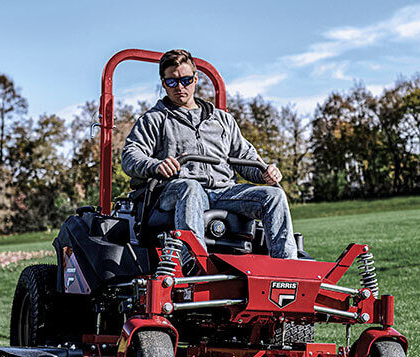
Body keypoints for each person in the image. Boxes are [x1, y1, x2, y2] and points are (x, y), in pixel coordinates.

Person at [121, 49, 297, 259]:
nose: (180, 87)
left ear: (195, 79)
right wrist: (156, 165)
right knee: (191, 187)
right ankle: (194, 264)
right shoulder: (155, 119)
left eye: (186, 80)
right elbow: (131, 156)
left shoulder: (222, 120)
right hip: (176, 191)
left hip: (224, 192)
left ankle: (286, 267)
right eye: (172, 82)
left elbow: (245, 157)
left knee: (274, 196)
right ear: (163, 83)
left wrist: (265, 173)